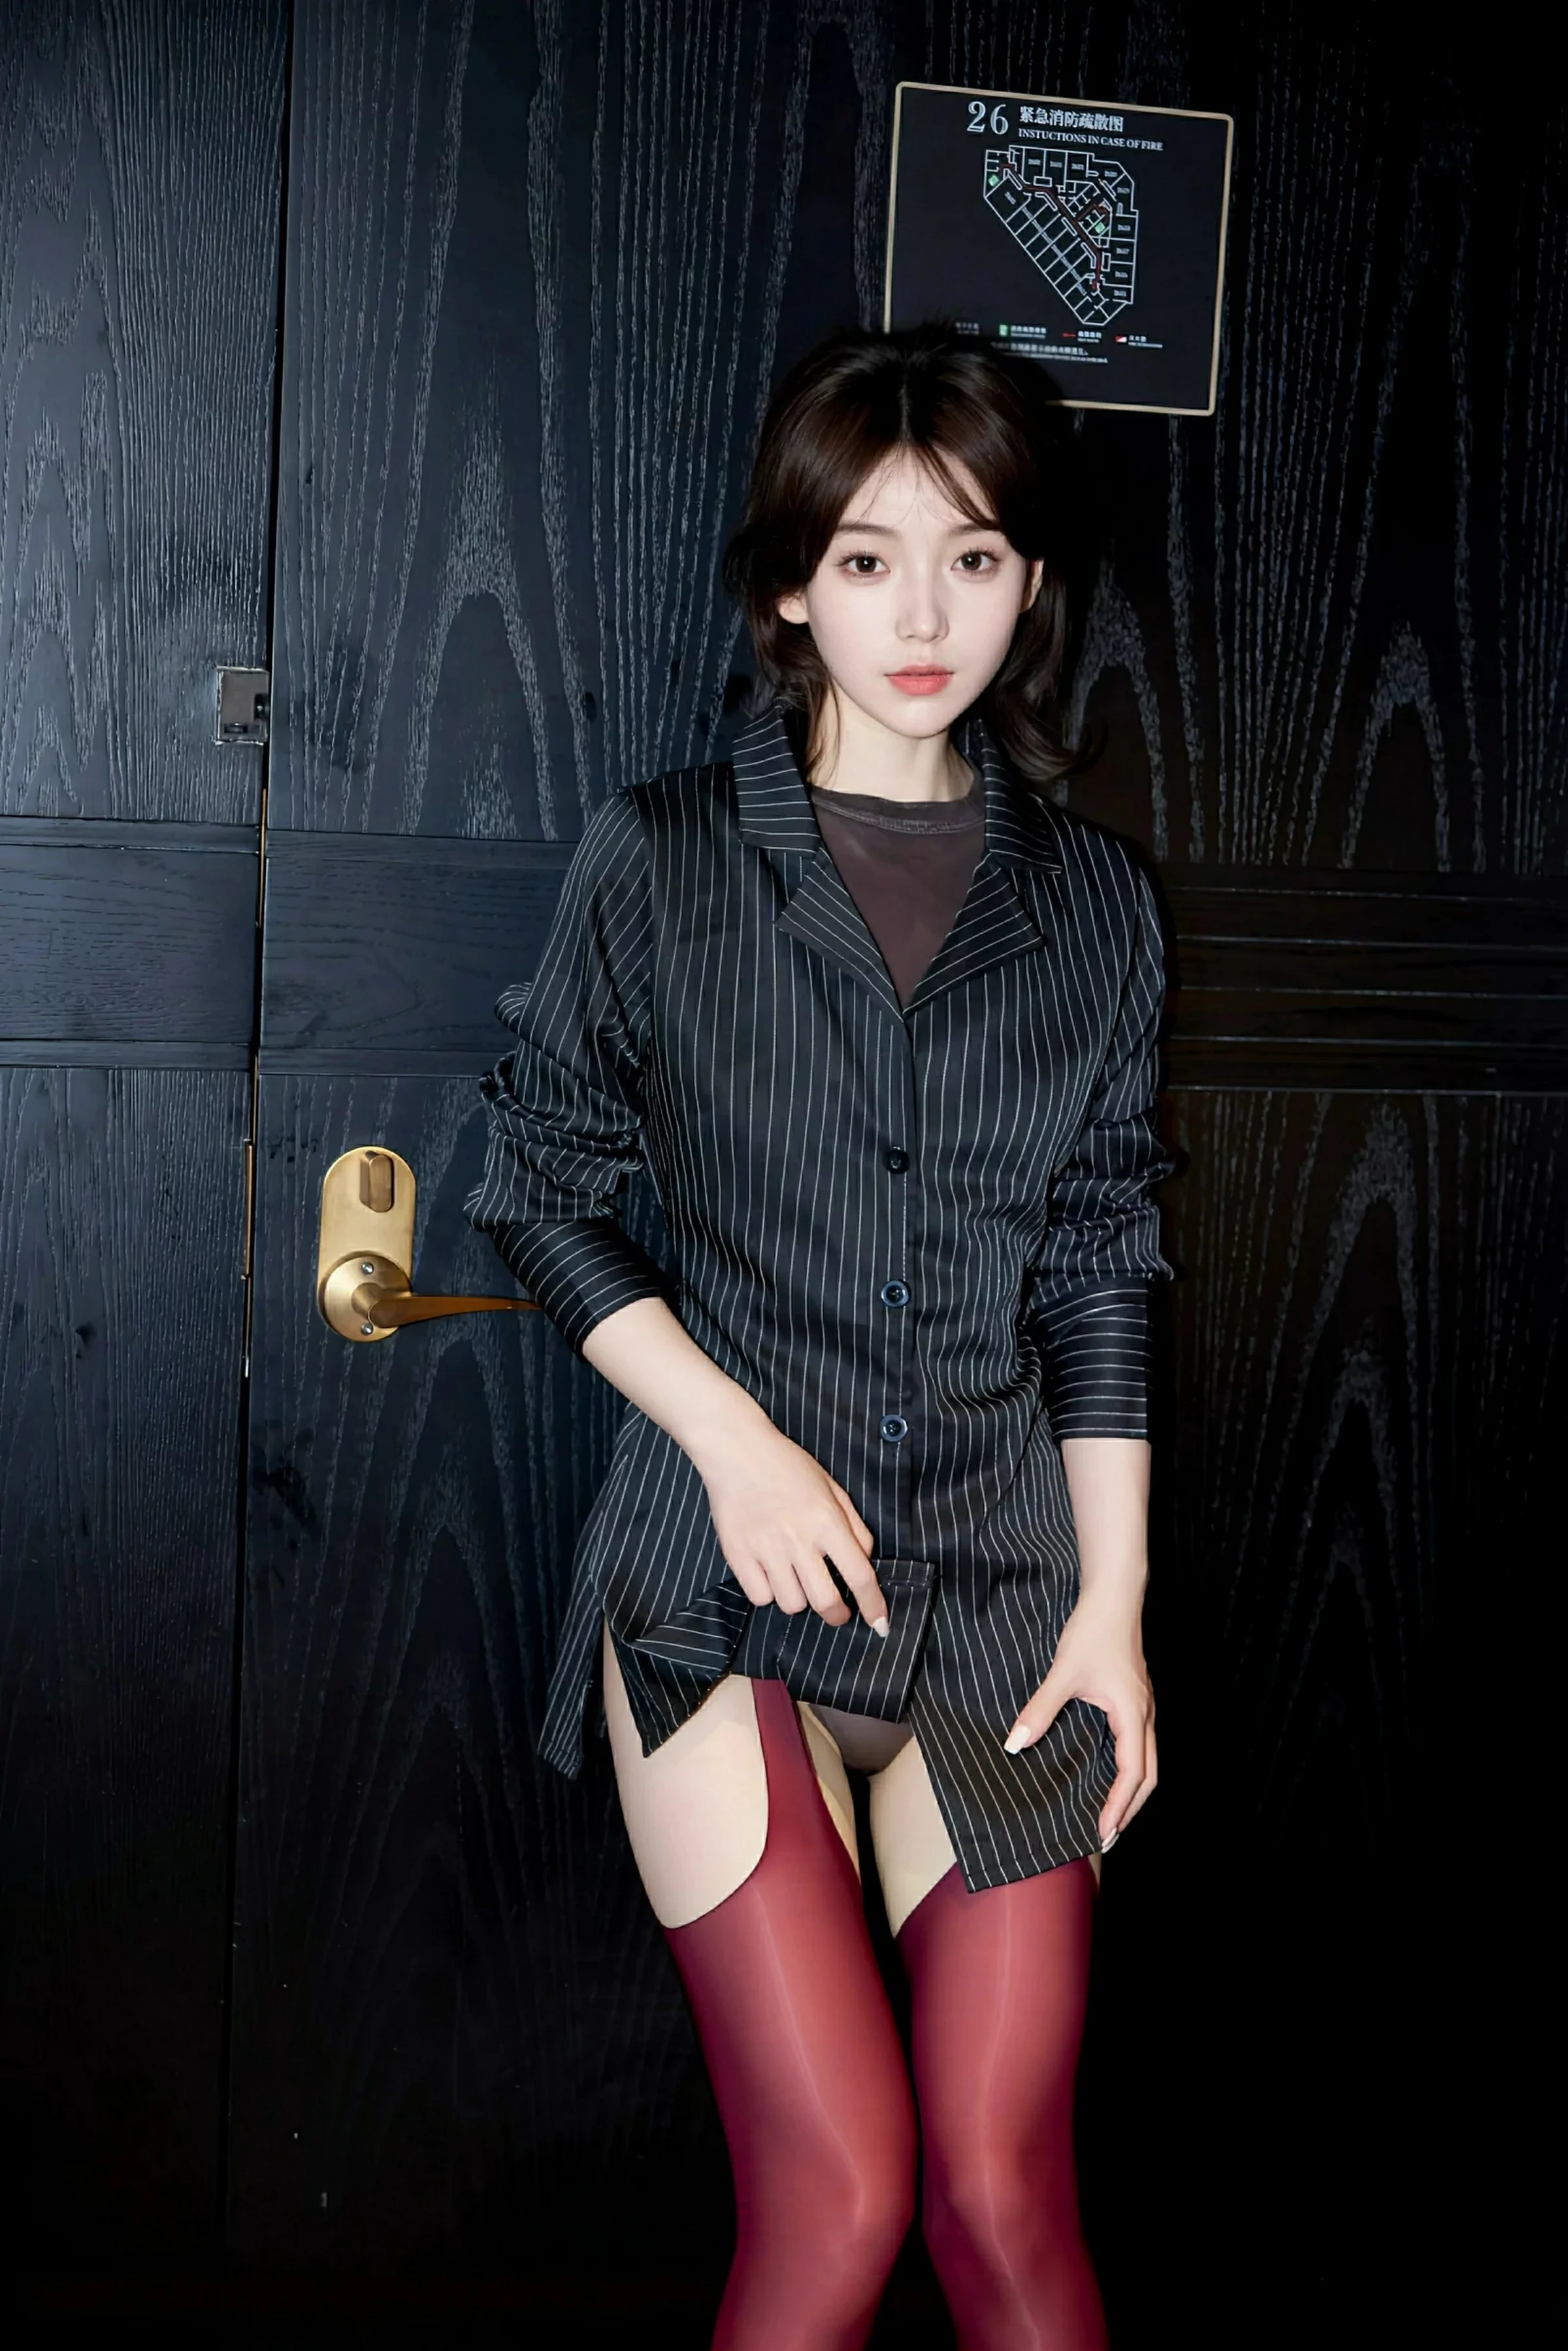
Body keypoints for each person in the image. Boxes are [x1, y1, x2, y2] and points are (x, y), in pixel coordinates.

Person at [468, 325, 1171, 2351]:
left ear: (1031, 582)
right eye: (867, 559)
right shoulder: (665, 855)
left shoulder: (1099, 910)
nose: (922, 614)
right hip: (726, 1599)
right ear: (792, 585)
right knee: (843, 2193)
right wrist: (732, 1441)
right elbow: (533, 1183)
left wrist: (1115, 1609)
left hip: (1004, 1602)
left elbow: (1101, 1256)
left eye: (972, 557)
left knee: (1003, 2201)